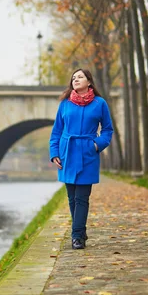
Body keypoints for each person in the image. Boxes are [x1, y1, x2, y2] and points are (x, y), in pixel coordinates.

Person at [49, 68, 113, 250]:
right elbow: (56, 132)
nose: (75, 79)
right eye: (73, 78)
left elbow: (108, 130)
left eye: (80, 77)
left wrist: (97, 144)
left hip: (87, 153)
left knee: (81, 198)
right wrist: (54, 153)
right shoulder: (65, 104)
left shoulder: (100, 104)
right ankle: (80, 230)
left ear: (89, 82)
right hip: (67, 152)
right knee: (71, 197)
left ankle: (77, 236)